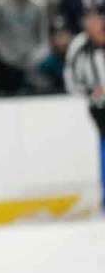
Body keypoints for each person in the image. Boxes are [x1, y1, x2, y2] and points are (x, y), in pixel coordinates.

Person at [65, 11, 105, 212]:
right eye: (89, 20)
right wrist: (90, 90)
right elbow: (71, 79)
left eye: (97, 19)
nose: (95, 24)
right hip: (98, 106)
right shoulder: (80, 46)